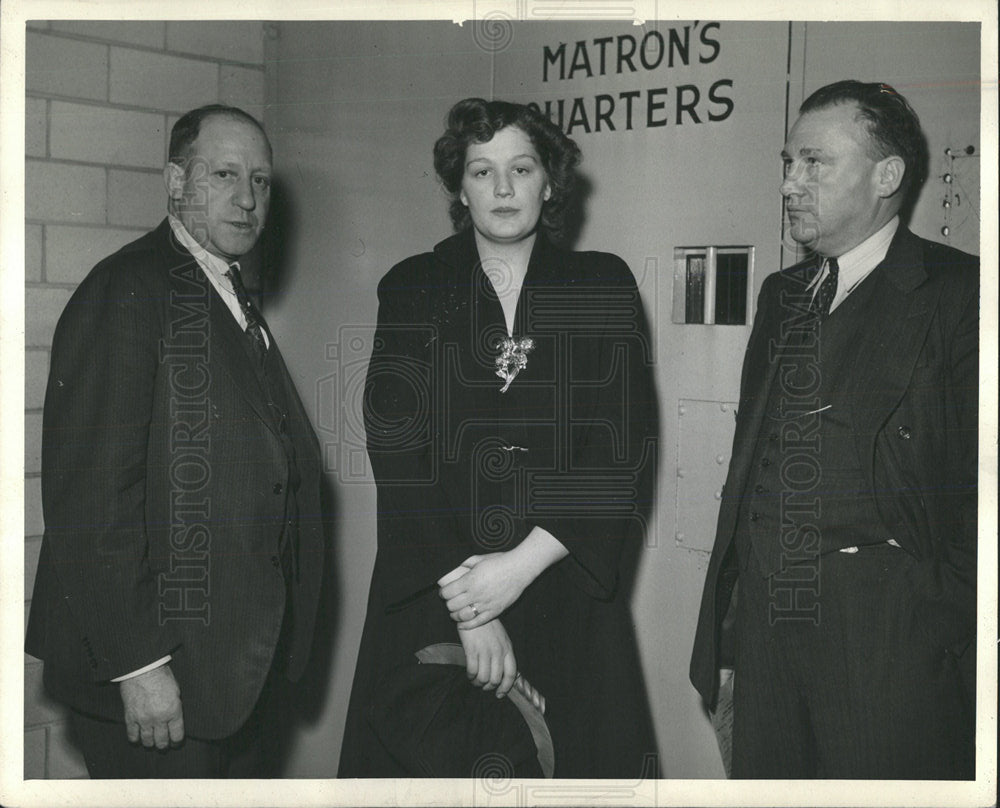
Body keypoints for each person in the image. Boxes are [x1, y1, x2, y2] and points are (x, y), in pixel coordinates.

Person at [339, 98, 659, 778]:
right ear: (460, 188)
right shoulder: (413, 287)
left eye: (522, 167)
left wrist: (518, 567)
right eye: (482, 172)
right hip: (436, 589)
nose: (504, 188)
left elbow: (622, 442)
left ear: (550, 182)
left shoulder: (602, 283)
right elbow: (397, 445)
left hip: (561, 582)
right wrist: (470, 601)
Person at [25, 105, 326, 778]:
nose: (248, 198)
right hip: (164, 683)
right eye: (223, 174)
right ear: (174, 182)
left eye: (261, 180)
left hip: (232, 679)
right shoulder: (128, 289)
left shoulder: (226, 292)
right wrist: (139, 663)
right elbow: (92, 499)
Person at [690, 80, 978, 778]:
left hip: (893, 663)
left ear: (887, 176)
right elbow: (751, 475)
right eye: (788, 163)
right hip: (766, 655)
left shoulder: (961, 295)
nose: (792, 183)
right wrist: (728, 646)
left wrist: (938, 635)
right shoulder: (781, 296)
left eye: (815, 163)